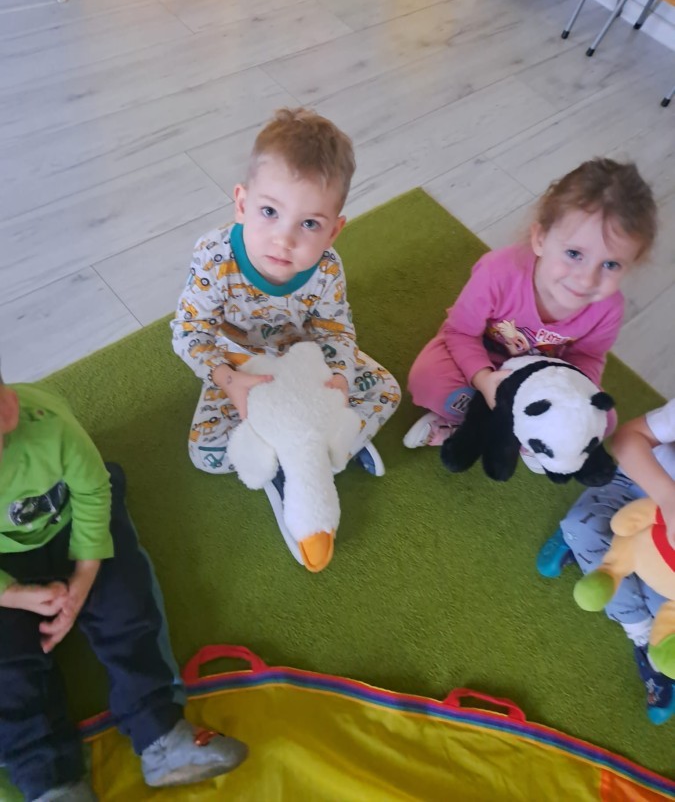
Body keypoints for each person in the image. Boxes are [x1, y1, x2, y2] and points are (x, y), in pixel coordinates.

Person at [0, 377, 248, 802]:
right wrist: (13, 594)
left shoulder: (47, 425)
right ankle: (49, 779)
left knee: (126, 602)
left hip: (73, 522)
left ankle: (159, 731)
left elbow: (95, 491)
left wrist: (85, 574)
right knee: (6, 666)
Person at [171, 107, 400, 510]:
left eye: (309, 224)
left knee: (387, 391)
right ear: (242, 204)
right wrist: (228, 380)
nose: (284, 239)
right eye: (270, 212)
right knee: (205, 452)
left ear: (334, 230)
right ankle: (314, 452)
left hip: (305, 364)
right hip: (241, 366)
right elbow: (190, 331)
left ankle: (312, 450)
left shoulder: (327, 268)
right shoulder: (213, 255)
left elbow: (335, 331)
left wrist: (340, 379)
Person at [402, 158, 657, 474]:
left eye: (610, 265)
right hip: (480, 355)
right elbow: (461, 333)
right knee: (427, 379)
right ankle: (473, 425)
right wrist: (483, 380)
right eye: (574, 254)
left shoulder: (608, 307)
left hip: (543, 378)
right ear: (540, 239)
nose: (586, 279)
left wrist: (570, 399)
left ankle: (526, 435)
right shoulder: (497, 272)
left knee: (604, 419)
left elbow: (588, 357)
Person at [538, 403, 675, 725]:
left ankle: (590, 549)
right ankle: (641, 638)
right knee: (584, 526)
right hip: (638, 484)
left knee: (662, 606)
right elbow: (627, 439)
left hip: (662, 541)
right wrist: (669, 500)